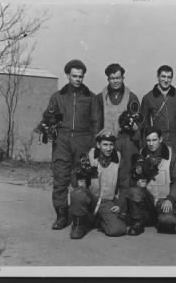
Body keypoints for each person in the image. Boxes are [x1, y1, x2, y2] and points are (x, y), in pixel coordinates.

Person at [44, 59, 101, 230]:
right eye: (74, 76)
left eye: (81, 76)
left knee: (81, 179)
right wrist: (49, 123)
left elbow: (96, 123)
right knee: (60, 179)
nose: (77, 79)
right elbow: (48, 118)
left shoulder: (91, 97)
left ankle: (81, 216)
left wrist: (93, 146)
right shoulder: (57, 96)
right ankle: (61, 215)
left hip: (83, 141)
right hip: (62, 140)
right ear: (68, 75)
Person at [69, 129, 128, 239]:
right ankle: (78, 226)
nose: (109, 148)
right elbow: (74, 181)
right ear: (98, 145)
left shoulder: (119, 159)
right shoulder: (88, 157)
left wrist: (120, 205)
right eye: (105, 144)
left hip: (107, 202)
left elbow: (125, 186)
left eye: (111, 145)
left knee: (118, 229)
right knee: (78, 194)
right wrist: (81, 175)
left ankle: (99, 221)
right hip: (91, 199)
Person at [126, 127, 176, 235]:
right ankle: (138, 223)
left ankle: (161, 219)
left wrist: (170, 199)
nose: (151, 144)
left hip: (164, 200)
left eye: (154, 140)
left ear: (160, 139)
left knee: (168, 222)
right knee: (133, 191)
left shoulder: (171, 155)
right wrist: (137, 183)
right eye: (148, 140)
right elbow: (132, 177)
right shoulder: (142, 153)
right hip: (148, 199)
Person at [140, 65, 176, 168]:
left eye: (169, 77)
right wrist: (148, 142)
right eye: (163, 76)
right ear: (158, 77)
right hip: (158, 140)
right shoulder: (148, 97)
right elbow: (144, 123)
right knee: (160, 170)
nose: (166, 80)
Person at [96, 63, 142, 185]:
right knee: (108, 174)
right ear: (108, 79)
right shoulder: (100, 98)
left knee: (128, 175)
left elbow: (139, 121)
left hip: (127, 140)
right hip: (108, 141)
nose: (115, 81)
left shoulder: (131, 96)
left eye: (118, 78)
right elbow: (96, 122)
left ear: (123, 78)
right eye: (112, 78)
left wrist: (134, 128)